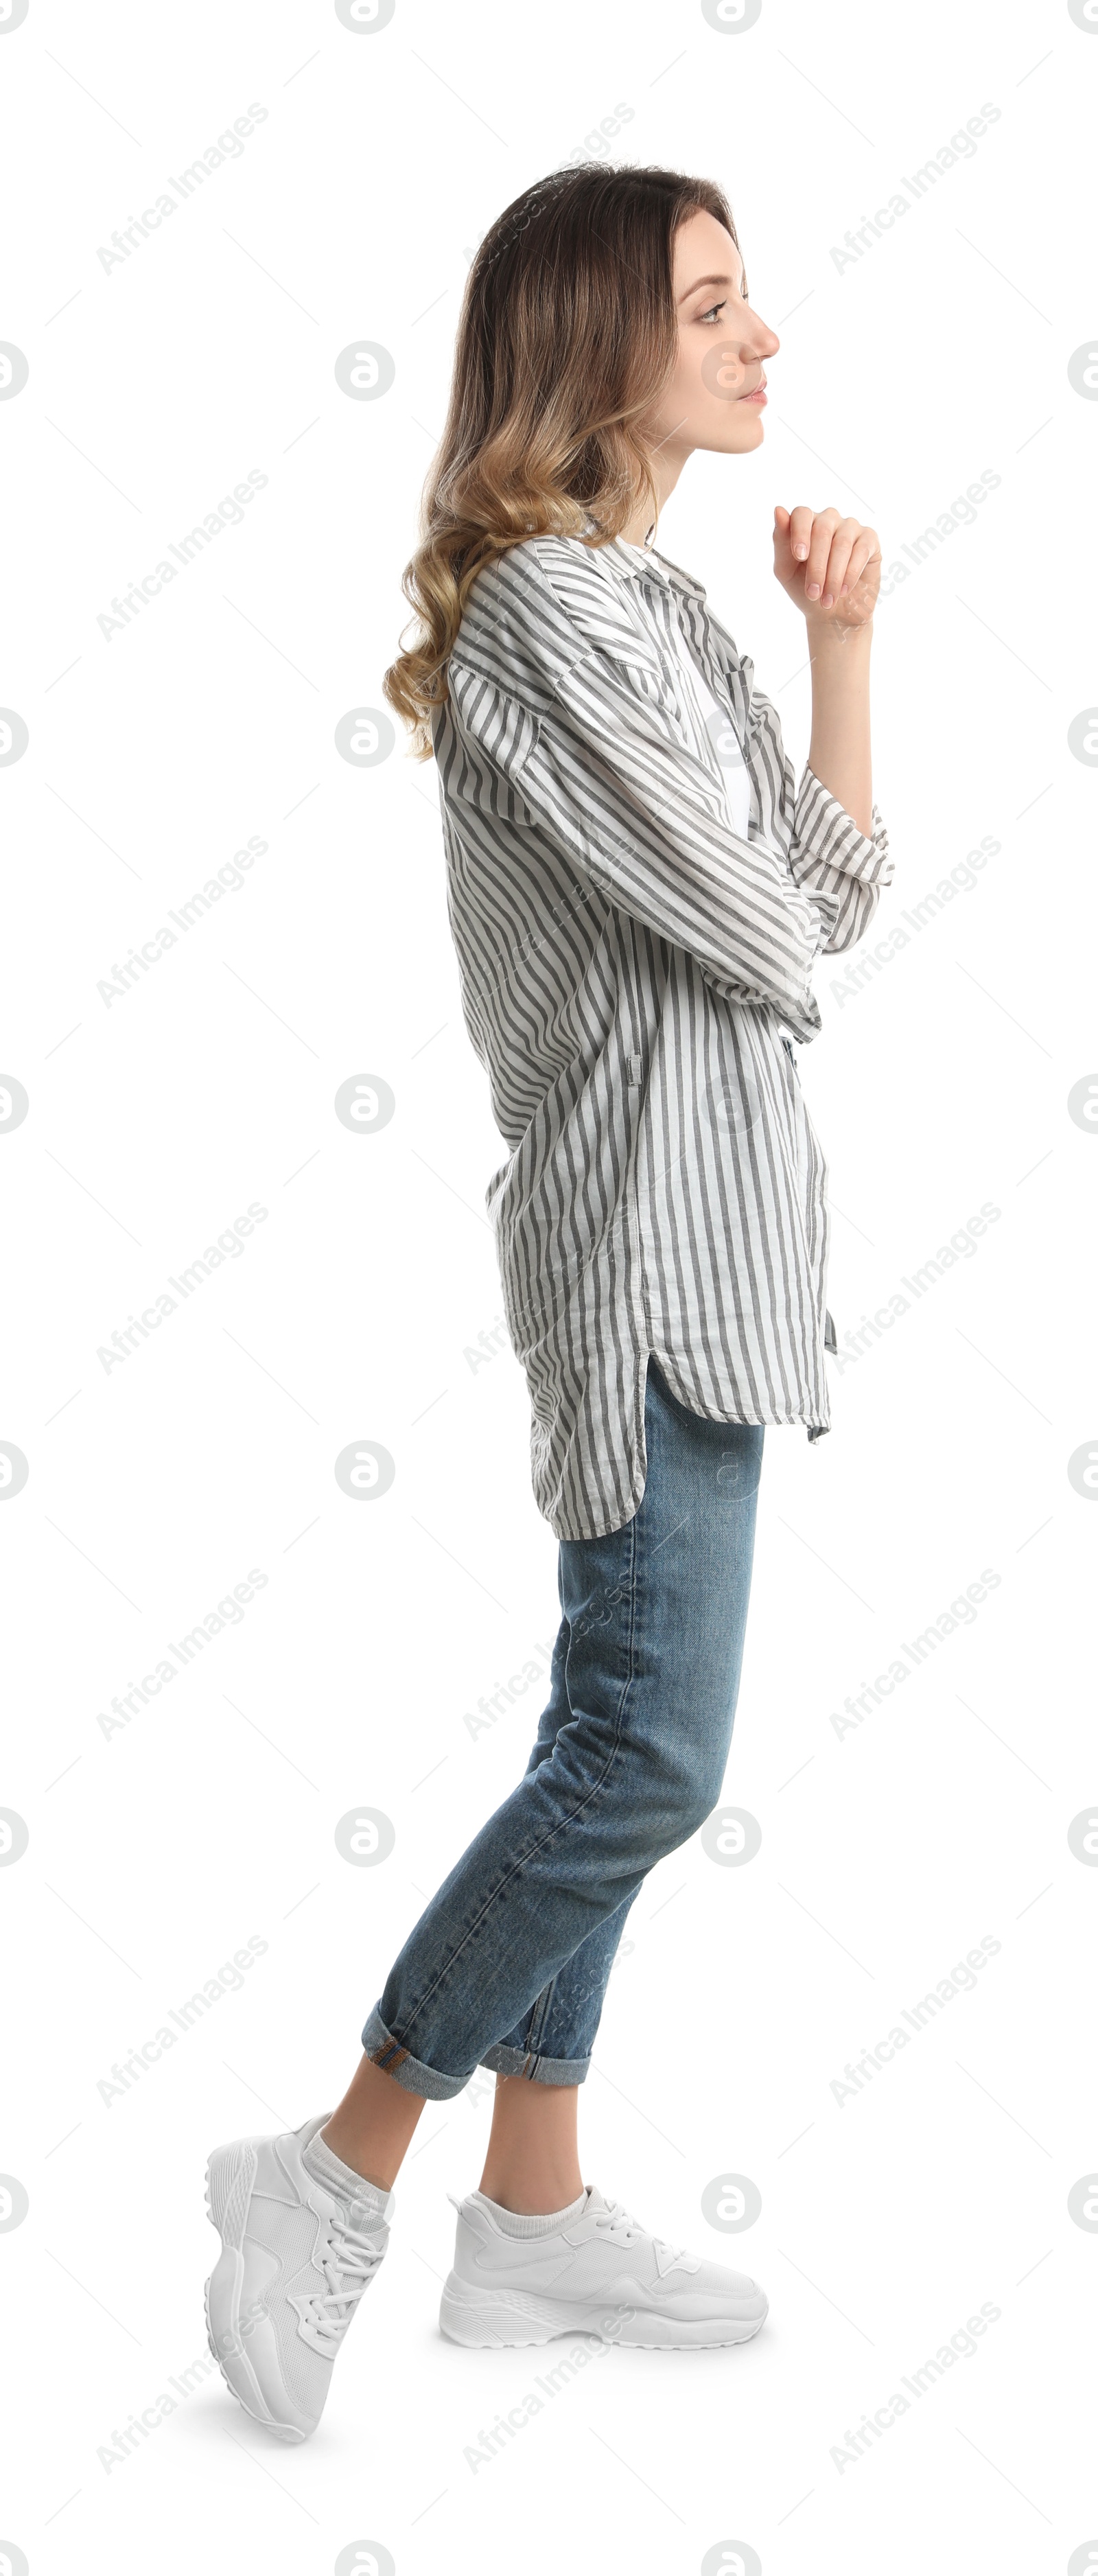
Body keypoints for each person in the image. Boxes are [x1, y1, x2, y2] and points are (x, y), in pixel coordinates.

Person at [204, 162, 891, 2443]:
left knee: (624, 1733)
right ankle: (336, 2163)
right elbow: (773, 935)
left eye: (751, 299)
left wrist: (839, 651)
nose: (762, 332)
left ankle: (531, 2202)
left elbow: (832, 895)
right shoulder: (539, 625)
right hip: (637, 1251)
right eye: (713, 301)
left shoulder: (660, 614)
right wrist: (777, 875)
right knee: (644, 1752)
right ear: (598, 340)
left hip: (721, 1255)